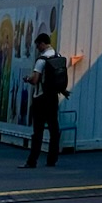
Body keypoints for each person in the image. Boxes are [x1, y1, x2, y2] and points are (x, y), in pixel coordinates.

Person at [24, 31, 67, 168]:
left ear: (42, 44)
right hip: (53, 96)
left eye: (38, 45)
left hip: (41, 98)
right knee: (54, 129)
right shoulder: (58, 56)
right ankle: (52, 159)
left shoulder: (41, 60)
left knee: (38, 131)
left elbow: (35, 80)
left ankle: (32, 161)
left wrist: (28, 79)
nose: (37, 48)